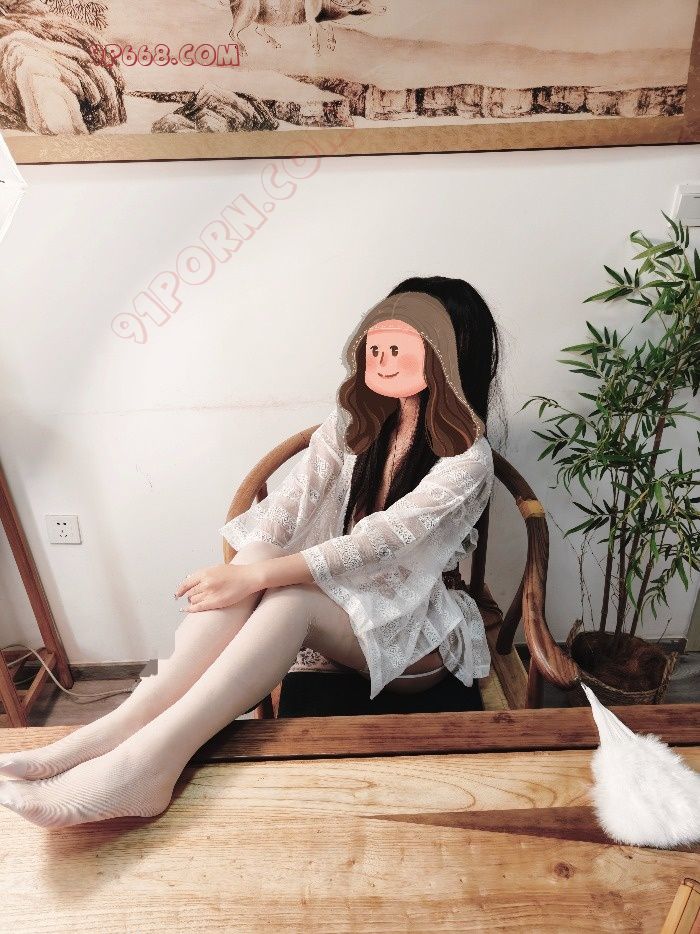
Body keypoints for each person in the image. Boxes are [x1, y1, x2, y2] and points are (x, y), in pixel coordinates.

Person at [0, 276, 501, 828]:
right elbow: (290, 504)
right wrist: (248, 567)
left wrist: (254, 580)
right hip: (344, 605)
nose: (384, 358)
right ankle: (117, 728)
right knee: (262, 551)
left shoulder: (467, 458)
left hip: (411, 635)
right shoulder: (358, 421)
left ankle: (147, 765)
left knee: (288, 599)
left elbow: (376, 542)